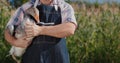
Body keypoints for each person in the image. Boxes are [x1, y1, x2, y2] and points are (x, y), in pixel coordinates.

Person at [4, 0, 77, 63]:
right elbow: (7, 31)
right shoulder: (25, 8)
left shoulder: (64, 7)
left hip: (58, 59)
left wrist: (40, 30)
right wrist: (15, 42)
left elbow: (70, 29)